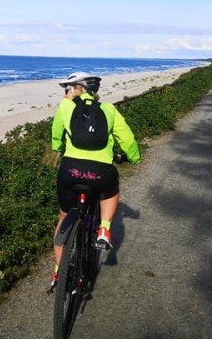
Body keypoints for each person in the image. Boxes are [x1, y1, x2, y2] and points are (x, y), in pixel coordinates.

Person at [49, 71, 140, 290]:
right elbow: (126, 138)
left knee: (63, 218)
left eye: (68, 89)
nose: (65, 93)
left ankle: (58, 272)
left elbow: (56, 135)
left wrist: (58, 148)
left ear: (78, 89)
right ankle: (104, 228)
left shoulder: (65, 107)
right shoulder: (109, 110)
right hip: (101, 174)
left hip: (70, 171)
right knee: (110, 192)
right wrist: (133, 158)